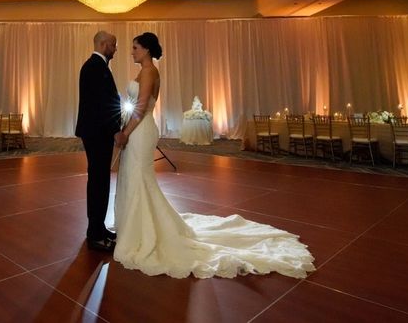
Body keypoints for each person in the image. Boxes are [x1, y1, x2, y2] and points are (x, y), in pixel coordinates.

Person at [113, 32, 316, 279]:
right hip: (140, 130)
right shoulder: (148, 71)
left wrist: (125, 133)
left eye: (135, 47)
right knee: (136, 179)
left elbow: (142, 106)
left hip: (141, 130)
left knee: (139, 179)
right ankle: (137, 227)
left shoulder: (148, 72)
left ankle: (142, 232)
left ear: (145, 49)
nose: (131, 51)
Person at [75, 30, 121, 252]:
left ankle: (99, 228)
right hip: (97, 133)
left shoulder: (96, 66)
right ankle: (94, 233)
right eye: (113, 44)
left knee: (100, 181)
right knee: (98, 182)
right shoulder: (94, 67)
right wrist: (116, 130)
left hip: (96, 132)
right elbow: (102, 105)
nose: (115, 48)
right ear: (103, 44)